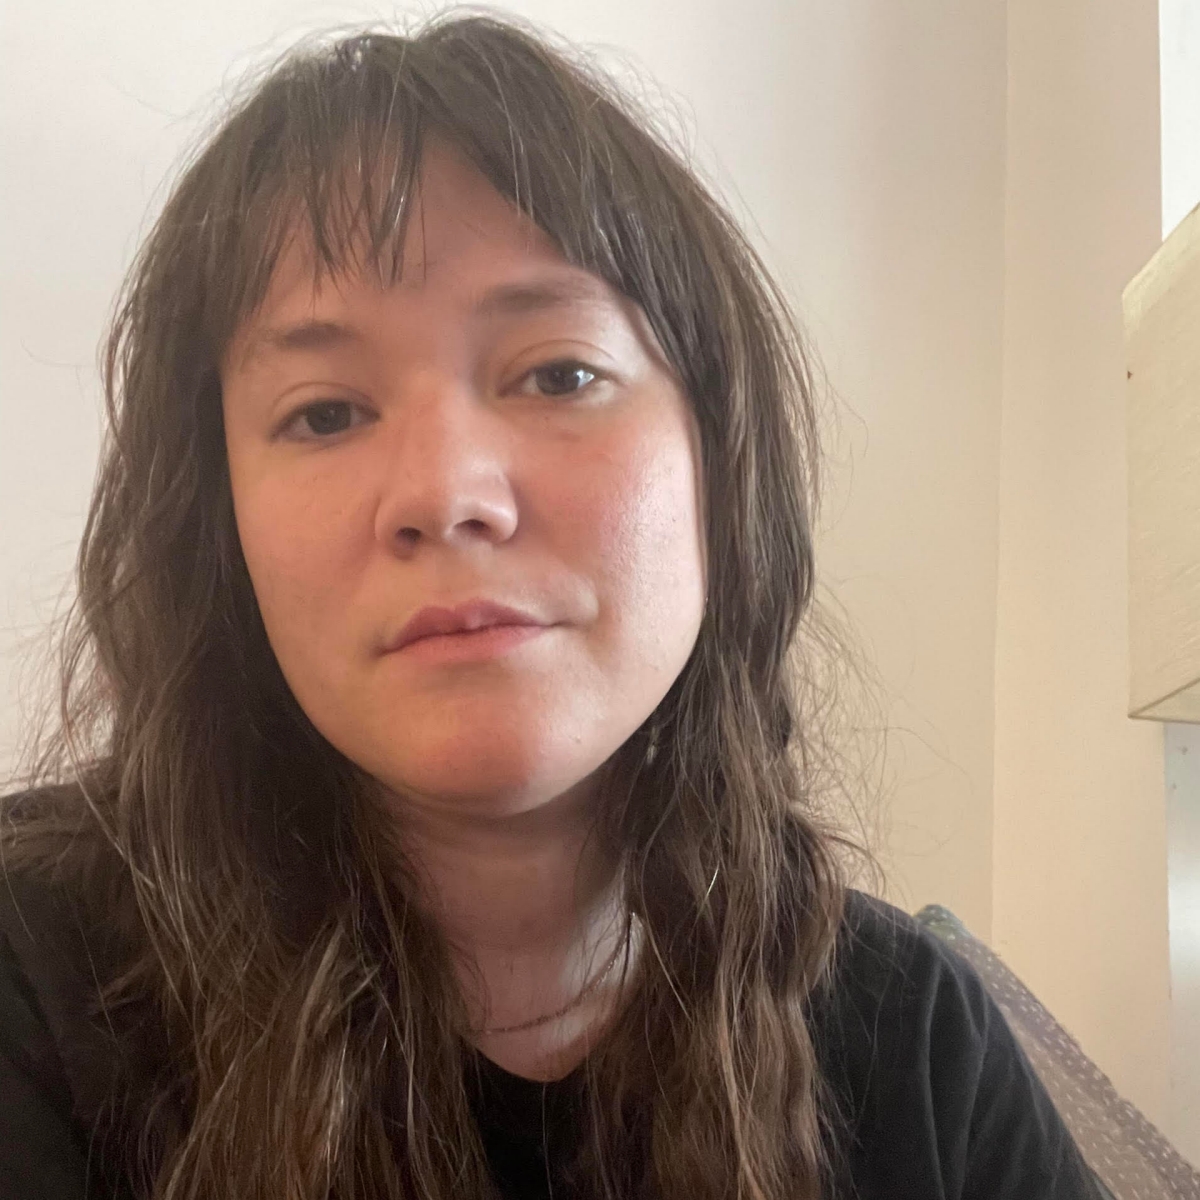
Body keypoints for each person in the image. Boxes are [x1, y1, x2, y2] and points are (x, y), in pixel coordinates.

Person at [0, 12, 1103, 1200]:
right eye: (324, 412)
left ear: (720, 466)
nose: (445, 494)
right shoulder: (35, 975)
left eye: (558, 373)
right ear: (220, 527)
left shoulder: (913, 1044)